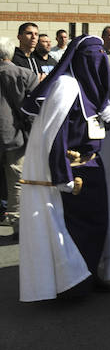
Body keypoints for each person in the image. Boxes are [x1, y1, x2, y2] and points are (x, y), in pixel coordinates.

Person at [18, 35, 110, 301]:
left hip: (94, 168)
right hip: (70, 173)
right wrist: (62, 175)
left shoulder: (94, 89)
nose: (97, 57)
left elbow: (95, 130)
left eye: (101, 52)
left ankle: (92, 273)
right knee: (73, 230)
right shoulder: (66, 87)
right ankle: (72, 281)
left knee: (98, 224)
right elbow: (55, 135)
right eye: (91, 53)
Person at [0, 36, 40, 235]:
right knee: (17, 181)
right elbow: (33, 111)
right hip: (16, 137)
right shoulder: (25, 74)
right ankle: (17, 225)